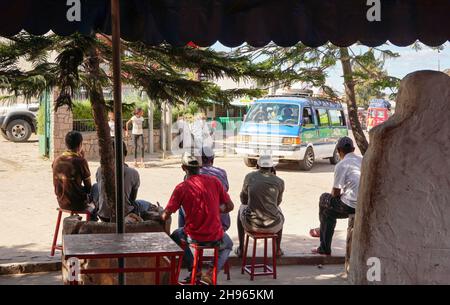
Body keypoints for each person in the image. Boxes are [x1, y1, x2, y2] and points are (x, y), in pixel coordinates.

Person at [160, 152, 234, 284]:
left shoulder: (181, 188)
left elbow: (166, 215)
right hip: (215, 235)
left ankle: (194, 269)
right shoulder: (215, 182)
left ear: (183, 168)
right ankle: (211, 272)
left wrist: (159, 213)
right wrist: (216, 209)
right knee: (228, 245)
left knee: (175, 236)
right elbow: (230, 206)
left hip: (193, 236)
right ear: (200, 167)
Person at [310, 136, 362, 255]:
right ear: (353, 149)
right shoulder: (362, 159)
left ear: (339, 150)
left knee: (324, 200)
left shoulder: (342, 165)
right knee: (327, 211)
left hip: (350, 205)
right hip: (363, 203)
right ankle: (322, 230)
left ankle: (324, 244)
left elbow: (335, 192)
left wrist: (337, 196)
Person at [236, 155, 285, 257]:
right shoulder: (279, 181)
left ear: (258, 166)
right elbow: (277, 203)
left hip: (252, 224)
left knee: (241, 208)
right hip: (273, 226)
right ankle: (277, 249)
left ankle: (241, 248)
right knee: (278, 212)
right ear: (272, 167)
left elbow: (243, 201)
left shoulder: (249, 177)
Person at [93, 141, 151, 222]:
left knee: (95, 186)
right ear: (126, 153)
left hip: (103, 215)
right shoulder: (133, 173)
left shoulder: (100, 170)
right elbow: (132, 199)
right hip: (123, 215)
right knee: (148, 205)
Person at [52, 131, 95, 214]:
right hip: (78, 204)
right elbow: (88, 187)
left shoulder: (56, 160)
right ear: (80, 145)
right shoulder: (81, 161)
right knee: (96, 188)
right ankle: (93, 219)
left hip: (61, 202)